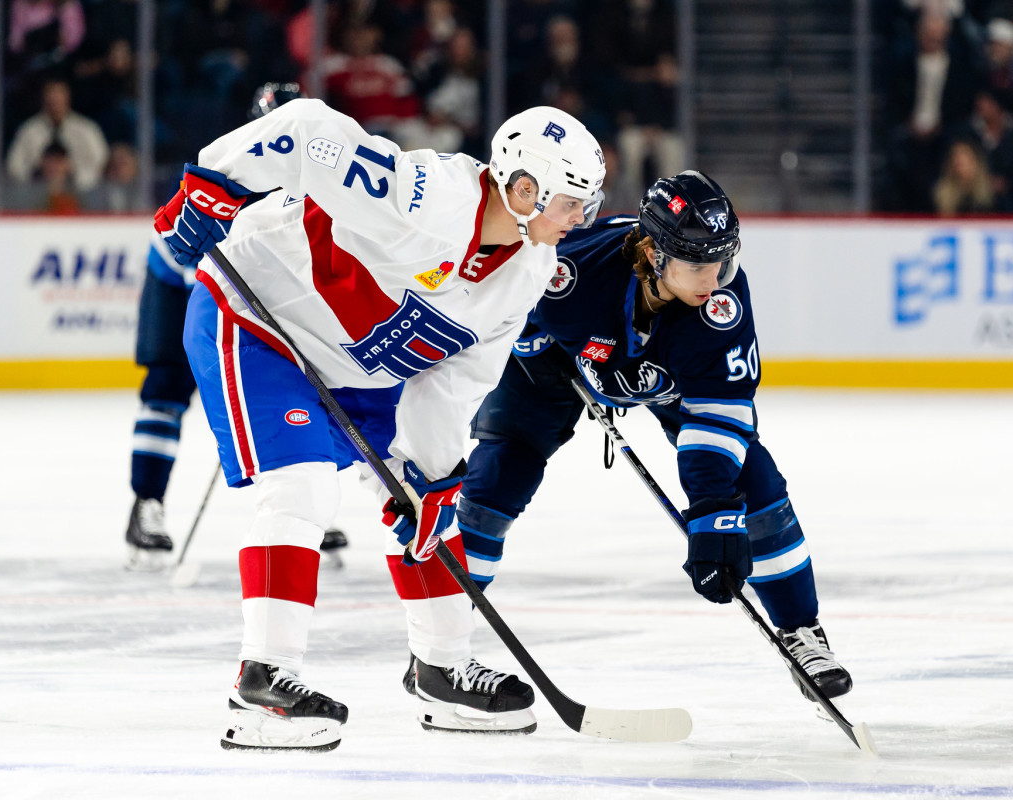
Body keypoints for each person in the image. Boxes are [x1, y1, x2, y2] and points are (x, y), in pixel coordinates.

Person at [154, 99, 606, 750]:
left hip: (361, 364)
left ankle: (442, 672)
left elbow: (451, 382)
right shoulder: (428, 200)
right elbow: (306, 129)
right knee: (304, 489)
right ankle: (262, 684)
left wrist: (428, 474)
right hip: (257, 320)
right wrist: (214, 186)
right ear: (525, 190)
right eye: (573, 203)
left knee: (429, 507)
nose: (579, 220)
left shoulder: (528, 271)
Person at [457, 171, 853, 704]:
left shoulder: (721, 303)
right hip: (551, 364)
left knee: (754, 488)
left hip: (667, 383)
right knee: (497, 477)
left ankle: (803, 631)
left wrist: (714, 511)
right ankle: (442, 641)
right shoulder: (568, 270)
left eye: (721, 260)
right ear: (652, 250)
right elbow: (485, 309)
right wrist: (538, 344)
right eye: (696, 263)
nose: (712, 278)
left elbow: (719, 415)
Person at [124, 82, 348, 571]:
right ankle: (146, 506)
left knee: (307, 387)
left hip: (252, 292)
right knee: (165, 387)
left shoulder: (325, 181)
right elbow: (185, 251)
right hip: (180, 282)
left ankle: (306, 501)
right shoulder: (231, 166)